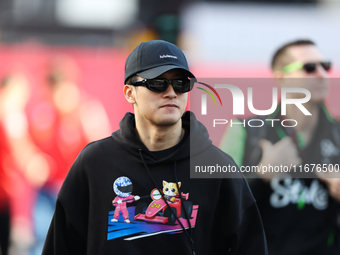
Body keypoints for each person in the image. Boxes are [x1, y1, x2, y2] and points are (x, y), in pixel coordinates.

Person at [42, 40, 267, 255]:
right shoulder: (94, 164)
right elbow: (61, 247)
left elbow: (250, 247)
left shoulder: (218, 168)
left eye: (181, 83)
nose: (171, 92)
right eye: (157, 82)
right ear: (130, 93)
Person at [220, 39, 340, 254]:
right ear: (282, 78)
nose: (322, 74)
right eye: (310, 67)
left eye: (326, 66)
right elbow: (217, 209)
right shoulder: (244, 130)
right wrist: (261, 176)